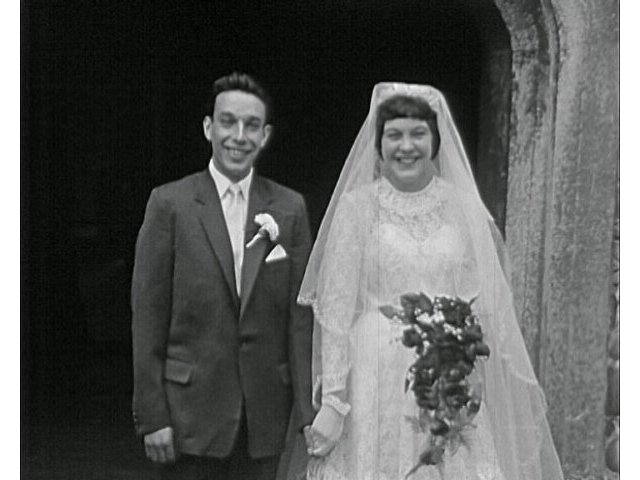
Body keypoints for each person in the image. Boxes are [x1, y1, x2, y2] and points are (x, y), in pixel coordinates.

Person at [298, 83, 565, 479]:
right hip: (375, 374)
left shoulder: (463, 207)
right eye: (394, 135)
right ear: (379, 144)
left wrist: (471, 366)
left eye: (418, 133)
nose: (406, 146)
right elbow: (336, 309)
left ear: (436, 140)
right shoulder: (357, 209)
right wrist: (334, 401)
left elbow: (485, 302)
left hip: (448, 374)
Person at [131, 72, 315, 480]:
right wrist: (152, 415)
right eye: (228, 122)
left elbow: (299, 320)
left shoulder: (289, 208)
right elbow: (147, 317)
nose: (239, 136)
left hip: (264, 415)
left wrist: (307, 413)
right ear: (208, 127)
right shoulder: (170, 204)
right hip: (188, 415)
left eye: (252, 125)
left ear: (265, 135)